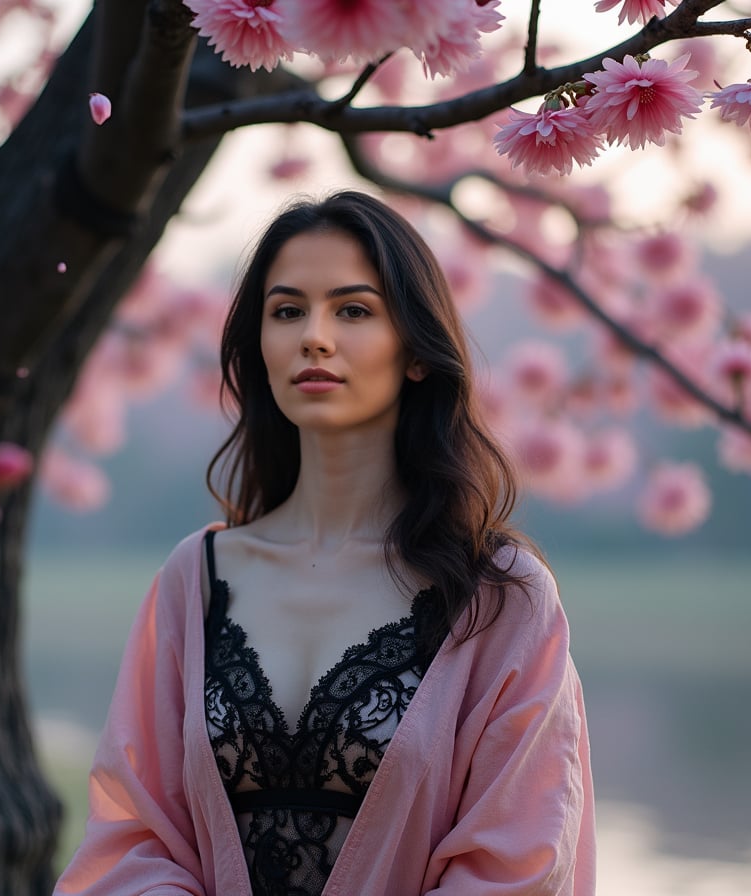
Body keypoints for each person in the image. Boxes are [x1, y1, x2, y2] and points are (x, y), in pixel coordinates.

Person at [53, 190, 596, 896]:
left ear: (417, 352)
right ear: (261, 348)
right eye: (287, 311)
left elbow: (515, 863)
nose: (314, 335)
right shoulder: (195, 578)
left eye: (353, 310)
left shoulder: (499, 597)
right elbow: (136, 837)